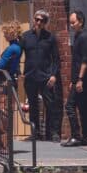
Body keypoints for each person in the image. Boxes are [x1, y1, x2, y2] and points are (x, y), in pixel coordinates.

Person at [20, 9, 61, 142]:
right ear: (34, 19)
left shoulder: (50, 38)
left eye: (42, 20)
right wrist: (18, 72)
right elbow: (17, 54)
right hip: (30, 76)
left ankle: (53, 132)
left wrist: (53, 75)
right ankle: (35, 133)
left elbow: (56, 59)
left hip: (45, 77)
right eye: (37, 19)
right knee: (33, 105)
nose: (38, 22)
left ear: (46, 23)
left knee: (50, 104)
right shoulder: (25, 36)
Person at [63, 9, 87, 147]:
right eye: (70, 23)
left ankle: (76, 136)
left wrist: (80, 80)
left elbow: (85, 60)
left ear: (80, 22)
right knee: (82, 107)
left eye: (73, 22)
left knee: (70, 106)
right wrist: (72, 80)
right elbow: (75, 61)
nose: (71, 25)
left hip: (83, 80)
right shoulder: (77, 37)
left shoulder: (85, 37)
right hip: (77, 80)